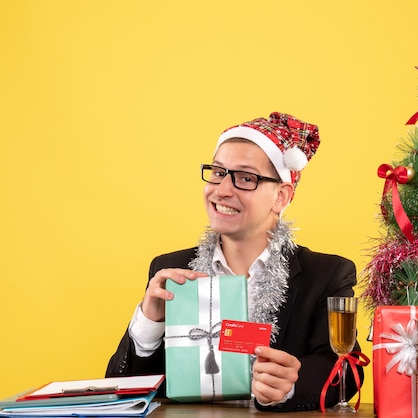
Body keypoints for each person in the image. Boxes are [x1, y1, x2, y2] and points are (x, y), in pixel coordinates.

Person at [106, 112, 364, 412]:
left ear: (281, 197)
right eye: (217, 173)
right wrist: (149, 323)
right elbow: (121, 392)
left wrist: (293, 384)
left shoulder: (327, 274)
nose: (222, 190)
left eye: (245, 178)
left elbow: (345, 369)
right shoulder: (171, 271)